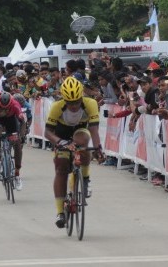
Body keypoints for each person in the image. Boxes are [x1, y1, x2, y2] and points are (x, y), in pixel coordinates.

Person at [44, 77, 105, 229]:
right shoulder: (57, 106)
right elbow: (47, 133)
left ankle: (84, 179)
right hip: (61, 133)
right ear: (64, 99)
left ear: (81, 97)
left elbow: (94, 130)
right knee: (61, 168)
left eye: (77, 102)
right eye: (70, 103)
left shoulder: (90, 103)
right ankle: (60, 212)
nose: (73, 106)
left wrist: (98, 148)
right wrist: (60, 142)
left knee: (83, 141)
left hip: (80, 129)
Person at [0, 91, 25, 190]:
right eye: (1, 107)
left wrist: (21, 137)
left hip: (11, 120)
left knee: (17, 144)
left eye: (6, 108)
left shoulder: (15, 105)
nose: (4, 110)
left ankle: (17, 174)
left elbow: (22, 122)